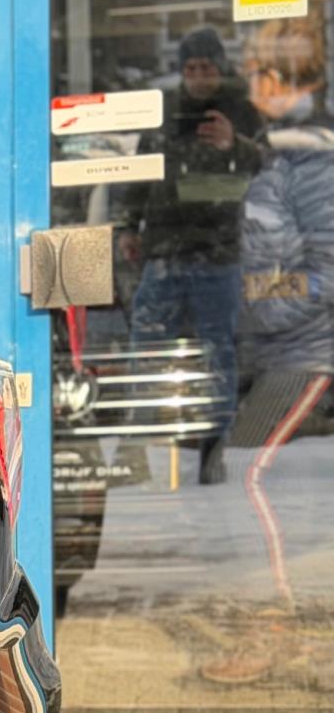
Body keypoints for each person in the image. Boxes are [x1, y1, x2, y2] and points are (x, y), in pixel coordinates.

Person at [201, 9, 334, 685]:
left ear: (281, 79)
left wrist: (263, 310)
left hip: (306, 352)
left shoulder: (314, 161)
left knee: (241, 471)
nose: (247, 81)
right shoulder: (281, 151)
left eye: (255, 70)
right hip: (274, 348)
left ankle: (276, 629)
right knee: (232, 470)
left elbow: (327, 269)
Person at [117, 26, 265, 483]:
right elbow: (140, 173)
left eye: (206, 67)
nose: (198, 76)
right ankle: (141, 449)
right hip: (164, 248)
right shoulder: (163, 112)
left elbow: (269, 171)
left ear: (220, 68)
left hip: (218, 252)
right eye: (191, 68)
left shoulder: (243, 110)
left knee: (217, 351)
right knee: (147, 345)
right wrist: (128, 225)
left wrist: (234, 144)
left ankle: (213, 450)